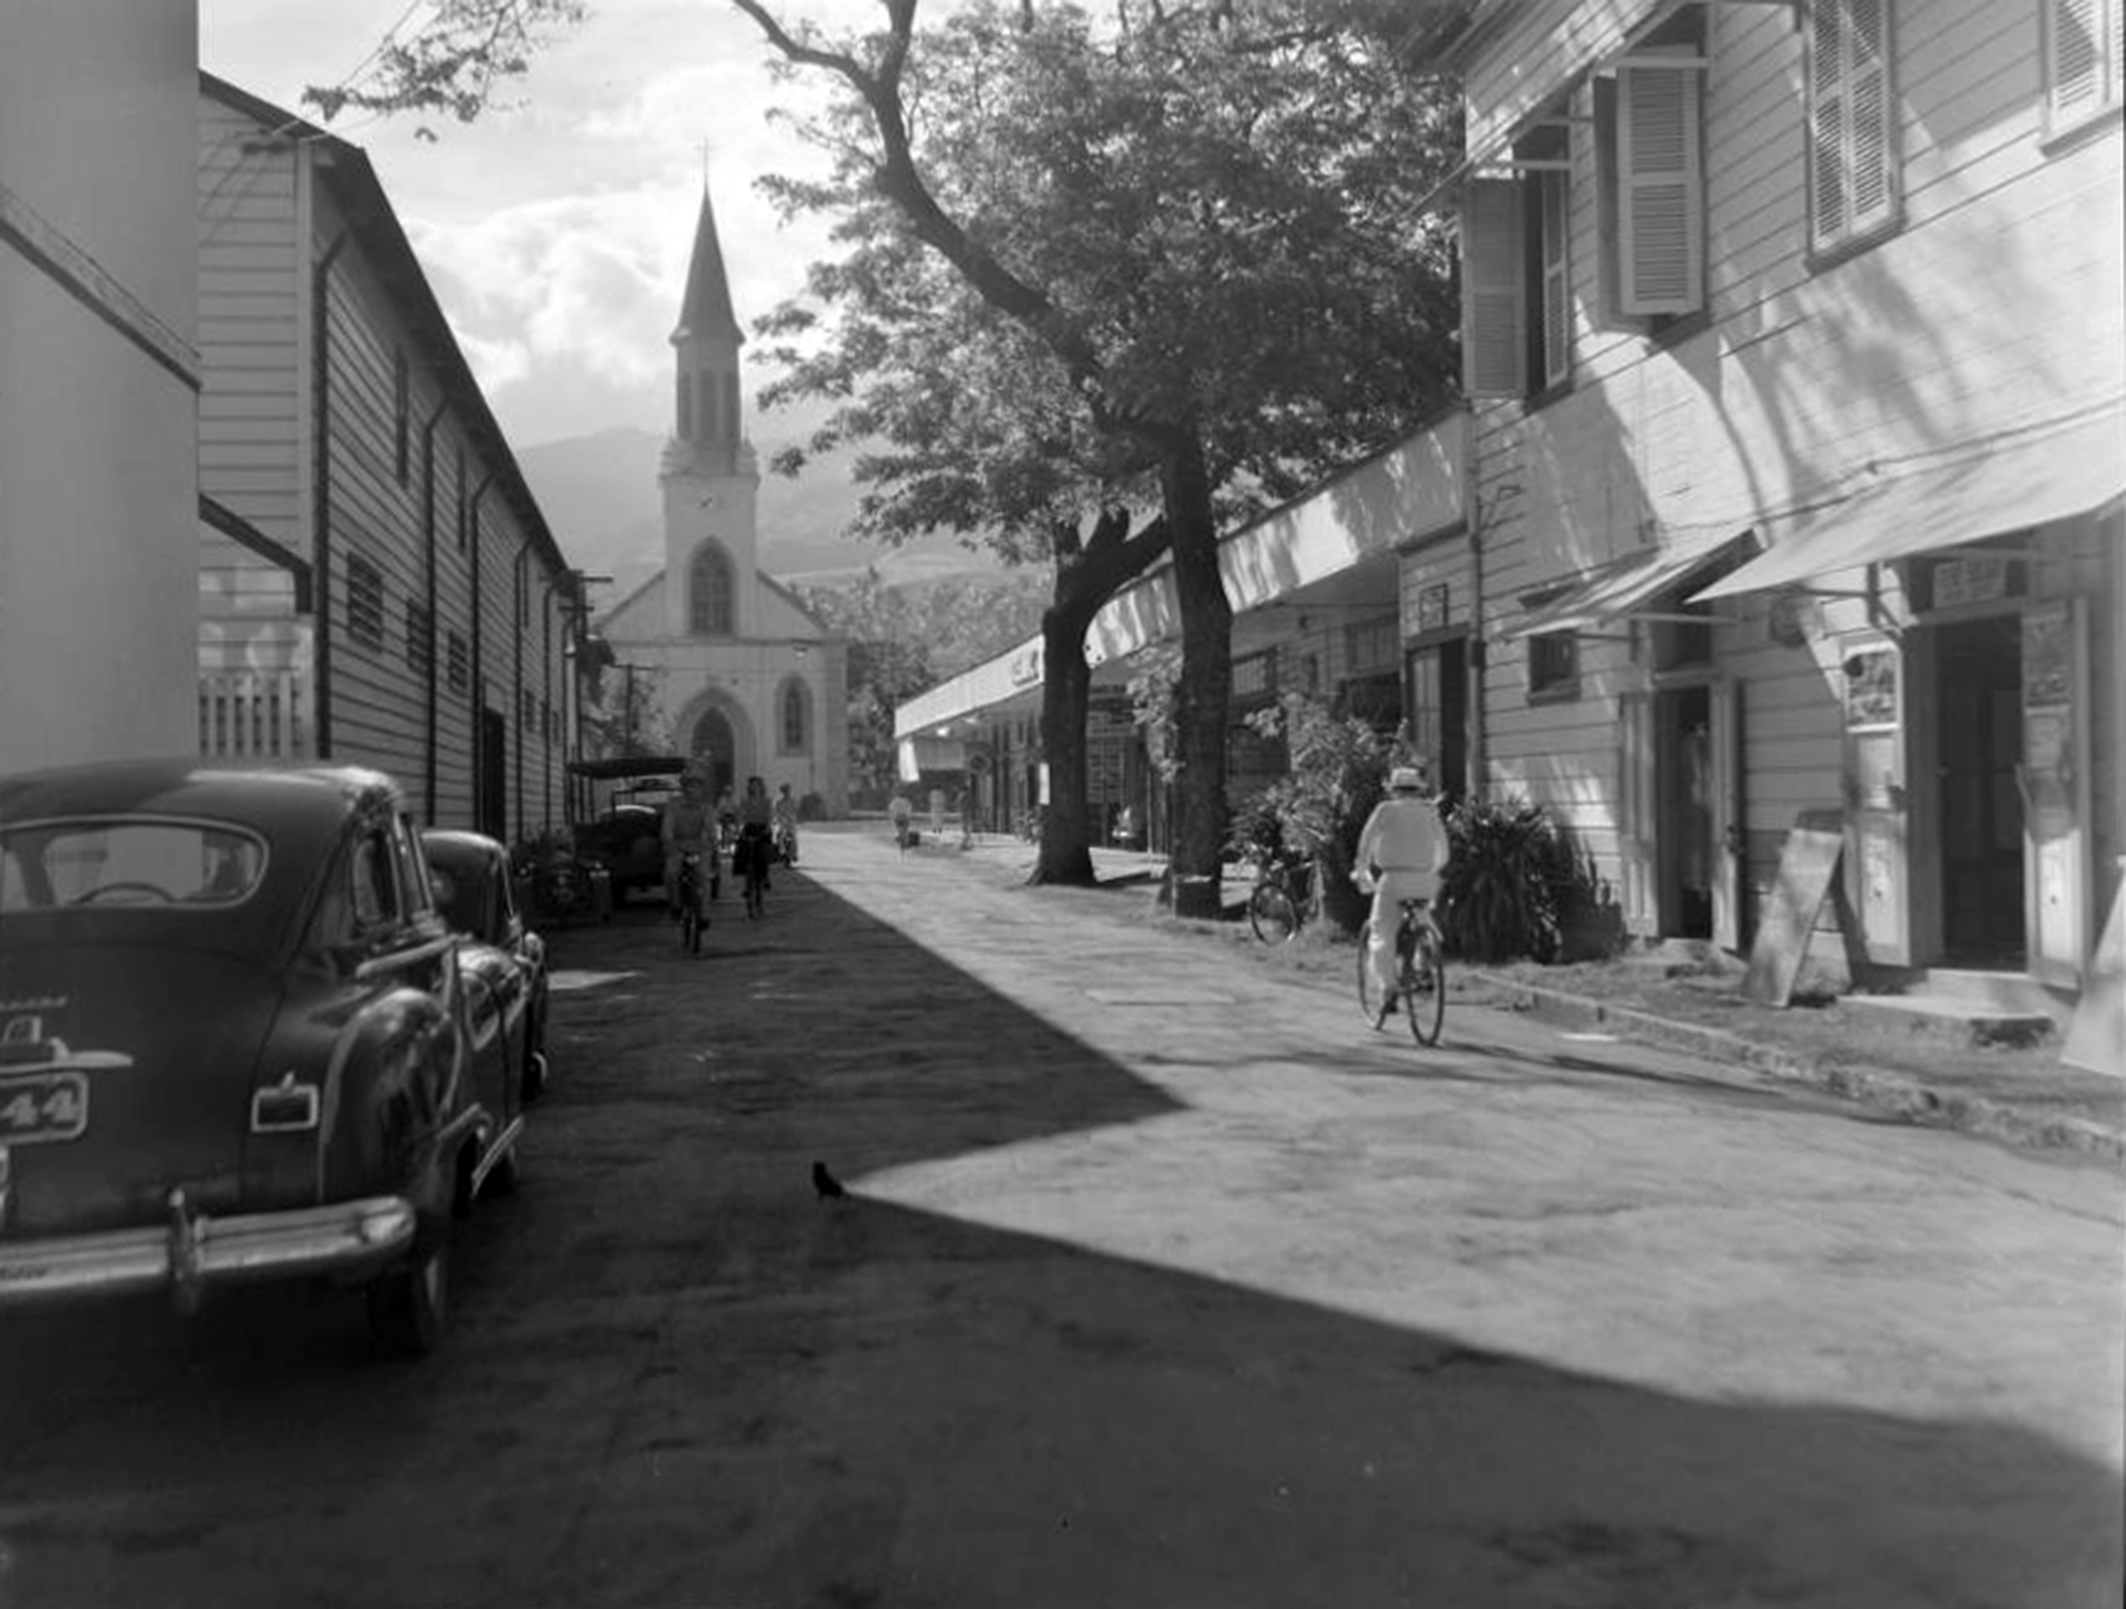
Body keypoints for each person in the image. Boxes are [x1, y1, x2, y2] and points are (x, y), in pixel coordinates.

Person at [1352, 765, 1451, 1028]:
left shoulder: (1385, 810)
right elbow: (1443, 849)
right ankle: (1426, 953)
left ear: (1394, 790)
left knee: (1381, 933)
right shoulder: (1429, 812)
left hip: (1393, 879)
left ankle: (1389, 987)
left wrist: (1362, 871)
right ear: (1418, 790)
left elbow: (1366, 842)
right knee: (1422, 915)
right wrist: (1433, 869)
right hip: (1425, 880)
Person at [661, 771, 715, 921]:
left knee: (704, 878)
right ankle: (676, 905)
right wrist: (668, 840)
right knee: (671, 874)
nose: (693, 790)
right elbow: (667, 827)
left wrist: (710, 841)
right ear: (684, 788)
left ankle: (704, 915)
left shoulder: (707, 807)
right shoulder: (674, 804)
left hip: (699, 847)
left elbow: (710, 829)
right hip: (677, 845)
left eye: (697, 787)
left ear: (702, 789)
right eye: (689, 786)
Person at [737, 774, 775, 893]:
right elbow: (741, 815)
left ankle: (765, 877)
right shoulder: (745, 800)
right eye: (752, 785)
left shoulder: (767, 800)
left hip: (763, 828)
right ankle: (746, 885)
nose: (754, 787)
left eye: (756, 785)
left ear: (761, 786)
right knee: (742, 851)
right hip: (749, 827)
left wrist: (768, 827)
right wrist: (739, 827)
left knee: (764, 852)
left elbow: (769, 815)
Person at [772, 782, 800, 867]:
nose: (787, 792)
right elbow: (776, 812)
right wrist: (776, 819)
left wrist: (794, 818)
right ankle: (782, 853)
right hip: (782, 823)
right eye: (785, 791)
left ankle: (794, 854)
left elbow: (796, 810)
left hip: (791, 823)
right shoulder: (779, 801)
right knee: (779, 836)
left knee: (794, 837)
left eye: (788, 790)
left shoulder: (793, 801)